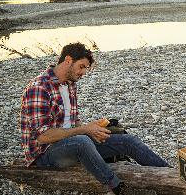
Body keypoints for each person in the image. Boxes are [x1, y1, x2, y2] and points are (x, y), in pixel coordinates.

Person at [20, 42, 169, 195]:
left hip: (72, 144)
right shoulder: (39, 88)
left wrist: (92, 129)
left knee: (127, 140)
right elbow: (43, 137)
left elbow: (73, 122)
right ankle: (117, 187)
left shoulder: (70, 84)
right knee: (82, 142)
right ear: (68, 60)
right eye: (82, 66)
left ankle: (173, 175)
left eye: (86, 68)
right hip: (45, 154)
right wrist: (84, 130)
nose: (83, 72)